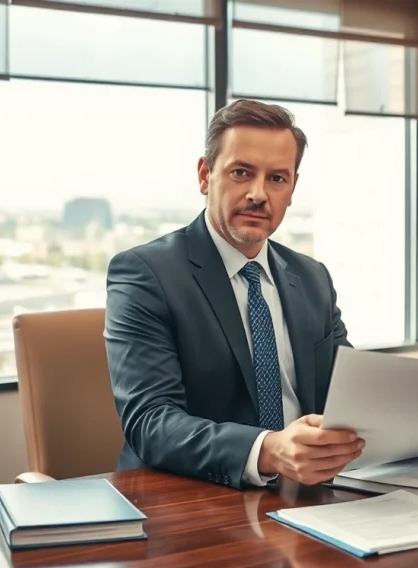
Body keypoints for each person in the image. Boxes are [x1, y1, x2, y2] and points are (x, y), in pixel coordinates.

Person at [104, 99, 364, 489]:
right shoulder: (145, 274)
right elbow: (151, 421)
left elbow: (348, 395)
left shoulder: (313, 278)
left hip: (306, 495)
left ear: (293, 188)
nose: (259, 194)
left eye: (277, 178)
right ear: (205, 176)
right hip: (188, 501)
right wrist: (269, 449)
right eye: (242, 173)